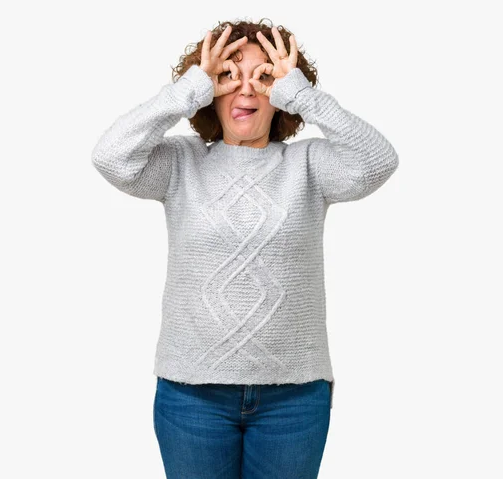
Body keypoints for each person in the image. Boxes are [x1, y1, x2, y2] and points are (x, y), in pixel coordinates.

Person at [91, 18, 398, 479]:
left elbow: (378, 161)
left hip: (293, 399)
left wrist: (306, 96)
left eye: (265, 77)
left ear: (284, 92)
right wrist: (187, 88)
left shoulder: (310, 165)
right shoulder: (180, 163)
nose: (247, 90)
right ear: (207, 91)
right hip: (192, 395)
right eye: (228, 76)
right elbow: (110, 156)